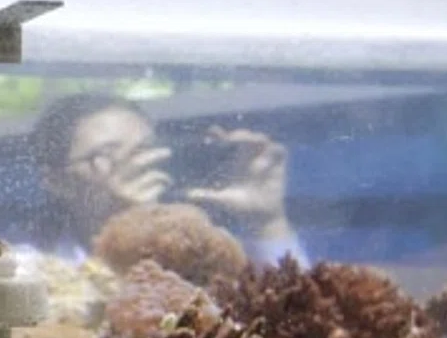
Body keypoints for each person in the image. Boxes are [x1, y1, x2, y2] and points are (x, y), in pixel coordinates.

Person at [25, 92, 303, 265]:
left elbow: (296, 334)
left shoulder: (208, 259)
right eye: (106, 155)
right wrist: (125, 229)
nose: (139, 166)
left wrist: (267, 223)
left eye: (145, 150)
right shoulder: (27, 269)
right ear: (56, 181)